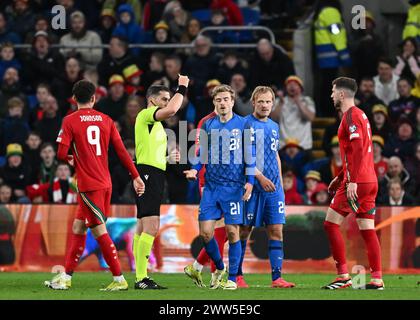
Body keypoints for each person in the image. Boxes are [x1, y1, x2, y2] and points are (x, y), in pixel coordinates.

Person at [44, 79, 144, 291]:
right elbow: (122, 151)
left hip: (89, 185)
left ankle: (119, 279)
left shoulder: (70, 121)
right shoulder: (106, 120)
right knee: (78, 226)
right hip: (104, 182)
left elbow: (61, 153)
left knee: (98, 230)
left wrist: (73, 158)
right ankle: (66, 277)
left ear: (74, 99)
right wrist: (135, 176)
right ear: (93, 98)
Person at [183, 84, 254, 290]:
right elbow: (201, 154)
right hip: (212, 188)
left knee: (233, 232)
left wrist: (249, 182)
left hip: (233, 187)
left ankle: (232, 279)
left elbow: (250, 156)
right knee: (206, 234)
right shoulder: (208, 125)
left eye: (226, 99)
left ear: (232, 102)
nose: (222, 103)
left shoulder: (244, 125)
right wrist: (195, 170)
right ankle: (220, 267)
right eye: (218, 100)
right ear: (214, 103)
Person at [324, 77, 384, 290]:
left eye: (333, 91)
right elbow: (354, 154)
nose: (331, 95)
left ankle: (343, 276)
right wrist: (340, 177)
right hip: (370, 180)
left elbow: (358, 149)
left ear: (341, 94)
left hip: (358, 181)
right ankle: (377, 279)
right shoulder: (361, 115)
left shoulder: (350, 116)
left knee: (330, 224)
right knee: (367, 228)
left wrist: (351, 181)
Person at [133, 75, 189, 289]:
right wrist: (181, 87)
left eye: (168, 98)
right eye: (164, 99)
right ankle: (141, 278)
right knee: (151, 225)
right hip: (148, 174)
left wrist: (167, 159)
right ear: (152, 100)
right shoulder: (147, 114)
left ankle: (140, 276)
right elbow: (173, 109)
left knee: (141, 227)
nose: (167, 102)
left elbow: (147, 152)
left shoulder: (154, 125)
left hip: (150, 171)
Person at [236, 86, 295, 288]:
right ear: (253, 102)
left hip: (273, 188)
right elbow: (243, 158)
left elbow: (275, 155)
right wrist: (260, 178)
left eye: (268, 101)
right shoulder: (244, 124)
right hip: (252, 187)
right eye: (260, 101)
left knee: (276, 230)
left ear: (273, 103)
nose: (264, 105)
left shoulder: (274, 126)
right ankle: (237, 276)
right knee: (244, 231)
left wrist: (280, 185)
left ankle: (277, 278)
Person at [271, 75, 316, 150]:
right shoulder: (279, 101)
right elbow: (273, 119)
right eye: (289, 84)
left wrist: (299, 102)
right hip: (283, 146)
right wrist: (281, 103)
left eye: (295, 84)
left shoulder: (307, 100)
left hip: (303, 145)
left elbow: (311, 117)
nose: (292, 86)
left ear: (301, 88)